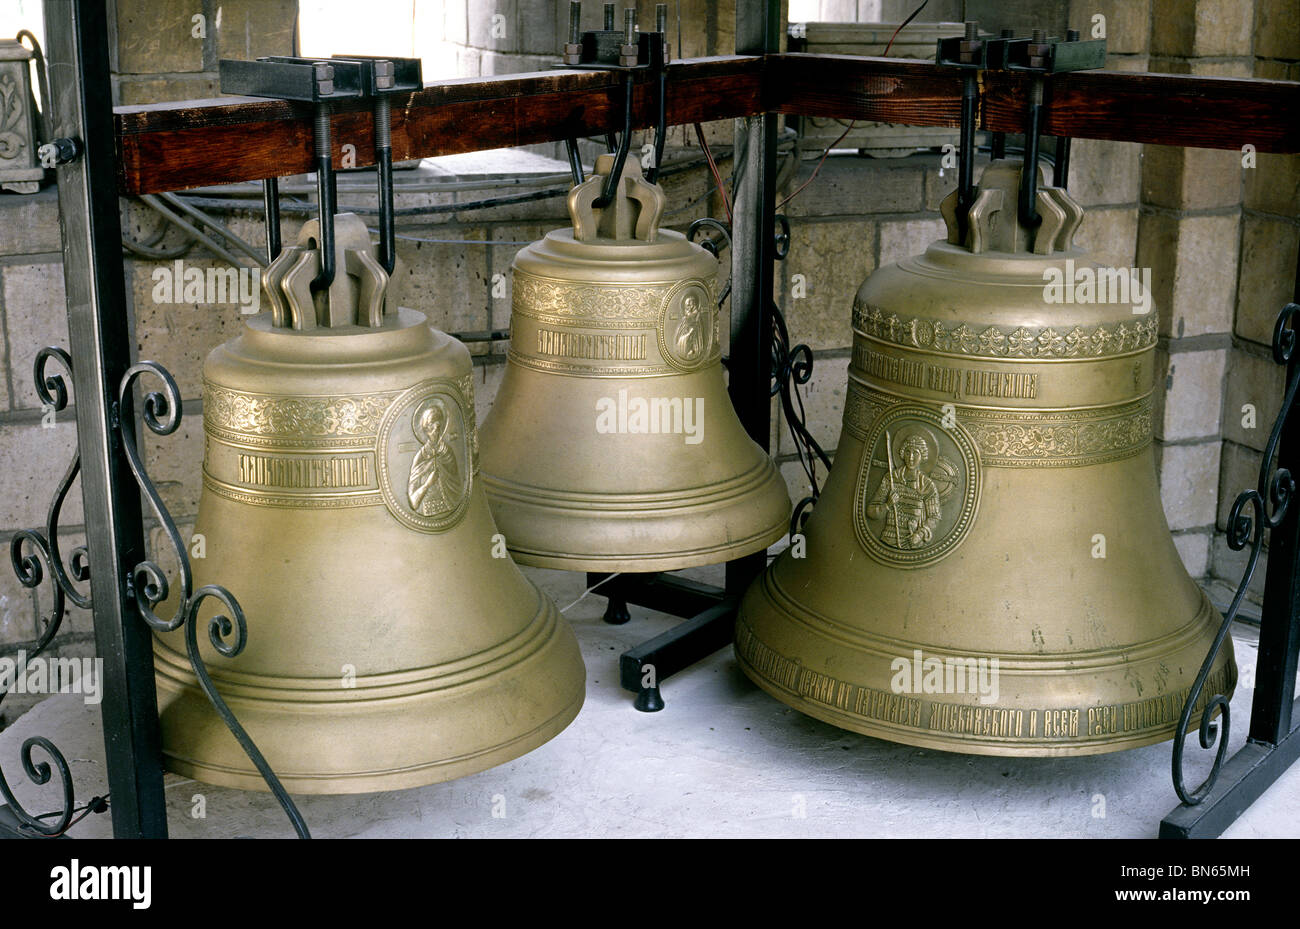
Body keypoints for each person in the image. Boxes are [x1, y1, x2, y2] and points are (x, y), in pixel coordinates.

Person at [866, 432, 941, 550]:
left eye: (916, 453)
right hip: (889, 539)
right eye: (908, 452)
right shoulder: (891, 479)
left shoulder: (927, 485)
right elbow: (870, 511)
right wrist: (887, 505)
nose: (911, 458)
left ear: (923, 456)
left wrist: (920, 534)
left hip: (913, 542)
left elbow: (934, 517)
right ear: (902, 454)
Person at [407, 399, 461, 518]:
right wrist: (427, 484)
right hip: (428, 508)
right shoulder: (421, 457)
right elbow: (413, 501)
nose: (435, 429)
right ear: (425, 429)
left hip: (450, 504)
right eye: (431, 426)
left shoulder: (448, 452)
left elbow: (456, 483)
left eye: (438, 425)